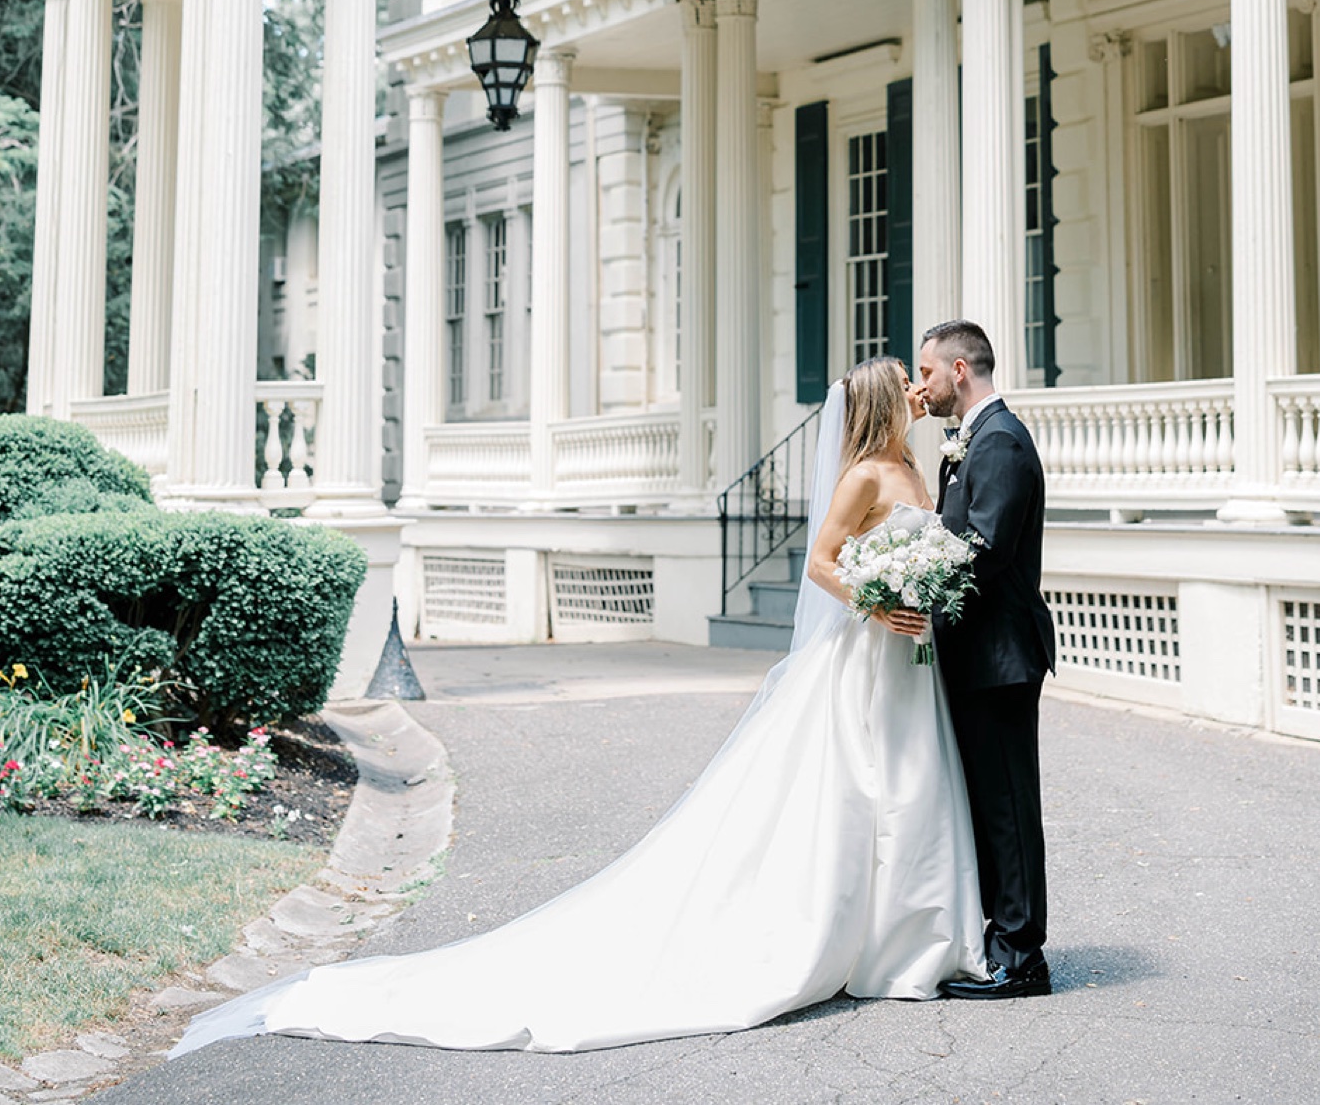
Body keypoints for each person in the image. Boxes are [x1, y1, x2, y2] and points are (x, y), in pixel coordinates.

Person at [173, 358, 986, 1058]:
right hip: (866, 654)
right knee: (857, 788)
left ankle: (906, 940)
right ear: (884, 404)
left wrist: (917, 577)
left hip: (906, 664)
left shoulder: (916, 468)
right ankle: (845, 938)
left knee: (911, 785)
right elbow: (820, 561)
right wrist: (876, 603)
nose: (921, 393)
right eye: (906, 388)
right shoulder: (864, 476)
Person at [913, 318, 1056, 1000]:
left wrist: (911, 578)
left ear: (961, 370)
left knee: (1007, 806)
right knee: (988, 803)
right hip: (977, 655)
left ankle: (1023, 958)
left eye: (929, 373)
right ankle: (1001, 940)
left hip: (998, 657)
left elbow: (984, 551)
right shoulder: (977, 440)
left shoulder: (998, 442)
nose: (923, 386)